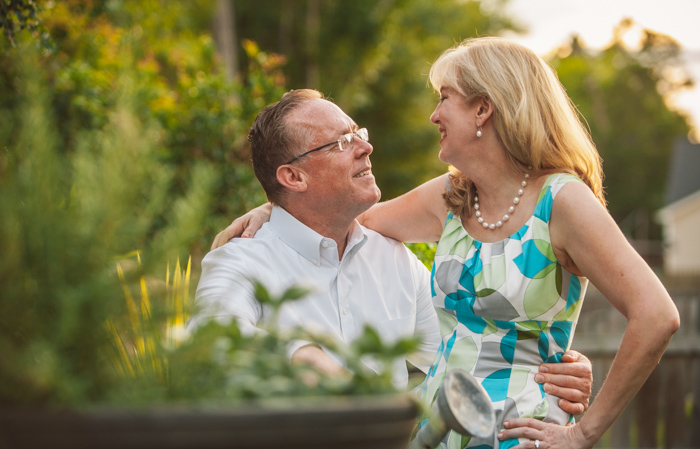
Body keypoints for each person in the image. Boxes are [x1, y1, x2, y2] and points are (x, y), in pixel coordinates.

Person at [215, 38, 680, 449]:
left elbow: (657, 315)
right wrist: (274, 206)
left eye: (444, 98)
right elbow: (343, 217)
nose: (434, 115)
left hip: (521, 446)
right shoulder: (453, 197)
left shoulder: (561, 201)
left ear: (483, 109)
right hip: (440, 447)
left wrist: (585, 432)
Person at [194, 89, 594, 407]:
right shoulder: (239, 259)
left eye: (359, 134)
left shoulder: (396, 260)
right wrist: (304, 356)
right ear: (293, 176)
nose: (365, 148)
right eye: (341, 142)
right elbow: (212, 340)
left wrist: (554, 369)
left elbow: (461, 355)